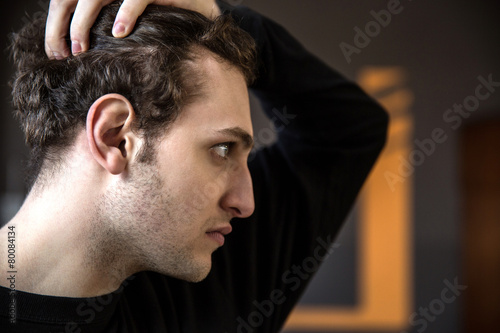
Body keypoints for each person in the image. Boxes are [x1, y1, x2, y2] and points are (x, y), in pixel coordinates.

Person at [0, 0, 388, 332]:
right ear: (115, 137)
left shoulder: (212, 276)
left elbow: (348, 132)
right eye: (221, 148)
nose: (245, 203)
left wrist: (221, 17)